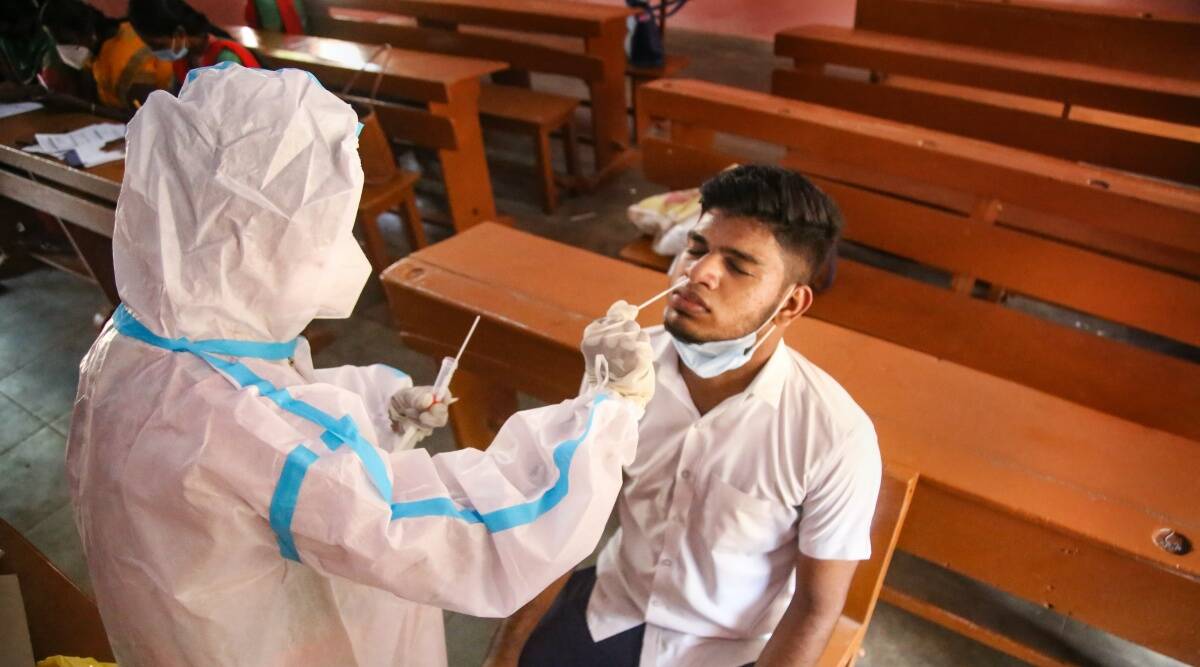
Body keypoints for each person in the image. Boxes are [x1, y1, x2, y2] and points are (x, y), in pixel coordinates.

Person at [66, 63, 656, 666]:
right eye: (325, 229)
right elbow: (473, 536)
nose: (339, 249)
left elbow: (258, 419)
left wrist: (378, 414)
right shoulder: (236, 425)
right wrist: (607, 413)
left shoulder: (137, 337)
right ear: (257, 240)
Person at [485, 165, 882, 667]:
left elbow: (815, 607)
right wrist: (507, 652)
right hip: (612, 608)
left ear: (790, 304)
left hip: (725, 649)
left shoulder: (835, 436)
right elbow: (564, 520)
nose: (697, 272)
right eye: (696, 248)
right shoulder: (623, 372)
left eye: (737, 265)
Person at [40, 0, 173, 109]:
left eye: (64, 41)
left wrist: (87, 108)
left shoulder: (120, 60)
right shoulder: (96, 52)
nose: (61, 49)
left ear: (86, 31)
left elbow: (149, 119)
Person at [128, 0, 260, 83]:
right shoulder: (183, 63)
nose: (155, 52)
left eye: (159, 45)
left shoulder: (227, 60)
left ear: (179, 33)